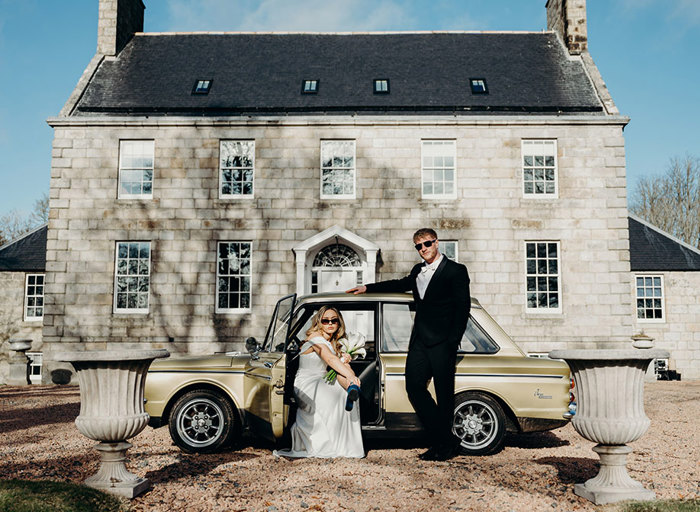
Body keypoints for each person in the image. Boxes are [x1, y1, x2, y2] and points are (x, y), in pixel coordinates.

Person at [347, 228, 470, 461]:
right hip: (420, 342)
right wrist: (367, 288)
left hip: (443, 343)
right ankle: (446, 439)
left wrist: (452, 342)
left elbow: (463, 309)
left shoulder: (456, 270)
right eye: (419, 246)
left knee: (445, 395)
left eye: (427, 244)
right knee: (413, 386)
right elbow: (400, 283)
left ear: (436, 242)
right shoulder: (417, 270)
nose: (423, 249)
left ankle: (442, 446)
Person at [273, 306, 365, 458]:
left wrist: (344, 358)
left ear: (339, 323)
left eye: (334, 320)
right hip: (306, 382)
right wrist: (350, 374)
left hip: (322, 379)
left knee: (343, 373)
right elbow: (329, 359)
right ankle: (352, 384)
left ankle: (351, 388)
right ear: (319, 322)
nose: (330, 323)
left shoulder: (334, 342)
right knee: (336, 389)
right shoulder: (315, 338)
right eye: (325, 320)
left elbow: (333, 362)